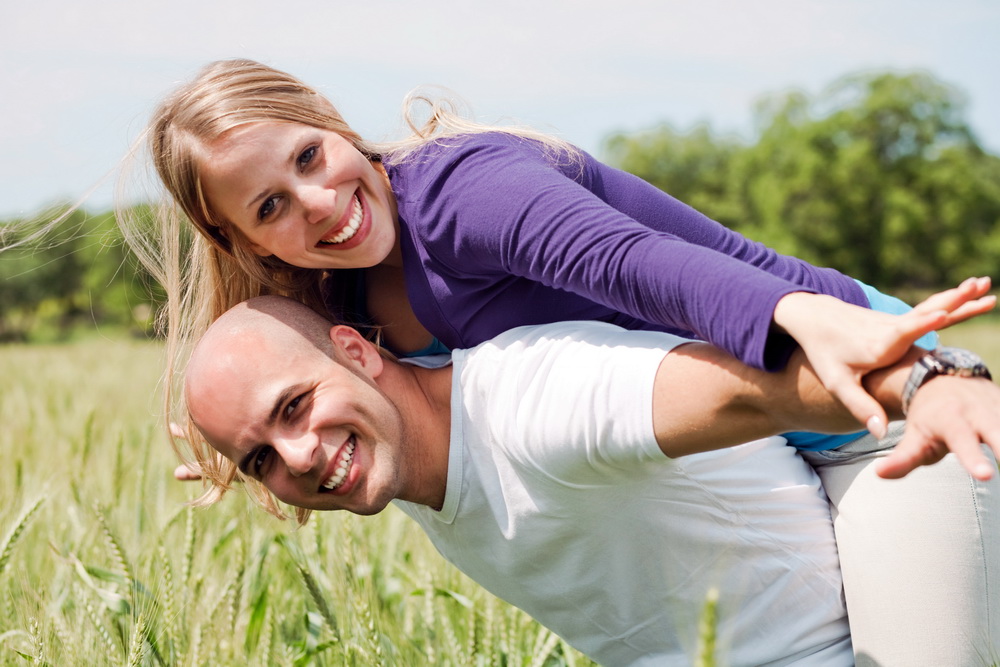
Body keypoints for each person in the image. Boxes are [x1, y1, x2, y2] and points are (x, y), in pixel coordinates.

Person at [125, 59, 999, 664]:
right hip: (773, 440)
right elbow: (331, 413)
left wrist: (850, 335)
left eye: (310, 156)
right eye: (271, 205)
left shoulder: (463, 194)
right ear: (240, 241)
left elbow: (639, 266)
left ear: (330, 123)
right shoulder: (341, 306)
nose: (319, 204)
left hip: (871, 400)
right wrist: (241, 452)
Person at [184, 295, 1000, 666]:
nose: (296, 457)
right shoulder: (396, 451)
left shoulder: (535, 401)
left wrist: (931, 381)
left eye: (294, 406)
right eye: (260, 457)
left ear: (359, 352)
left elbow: (753, 386)